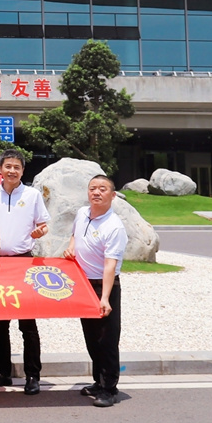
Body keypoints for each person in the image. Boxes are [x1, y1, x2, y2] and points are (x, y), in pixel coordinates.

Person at [0, 149, 51, 394]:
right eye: (7, 166)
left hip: (23, 263)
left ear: (22, 170)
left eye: (16, 167)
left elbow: (43, 224)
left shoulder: (32, 195)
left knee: (28, 324)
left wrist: (41, 231)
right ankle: (3, 372)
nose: (12, 171)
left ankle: (33, 375)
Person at [70, 174, 127, 408]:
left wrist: (104, 297)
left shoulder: (114, 227)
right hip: (83, 283)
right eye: (93, 188)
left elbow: (110, 266)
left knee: (107, 339)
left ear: (112, 196)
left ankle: (109, 388)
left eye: (102, 189)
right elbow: (74, 236)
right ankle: (98, 380)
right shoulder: (82, 214)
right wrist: (70, 248)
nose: (96, 192)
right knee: (92, 337)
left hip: (104, 285)